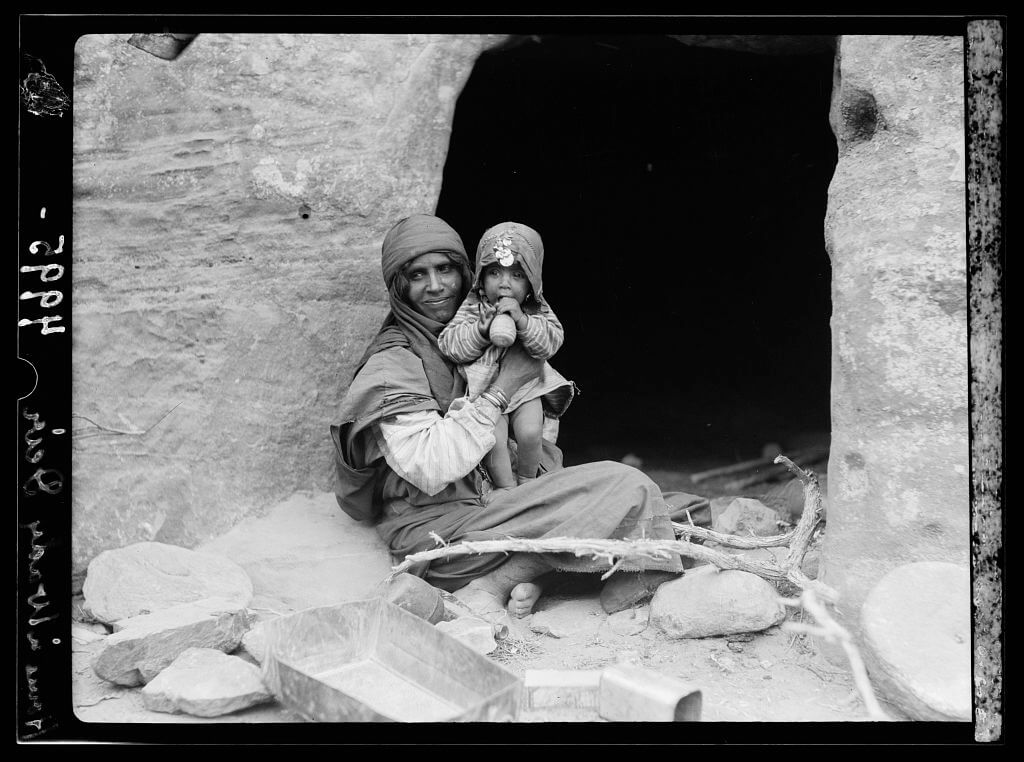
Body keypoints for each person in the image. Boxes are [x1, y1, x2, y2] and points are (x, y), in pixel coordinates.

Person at [330, 213, 708, 620]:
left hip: (497, 502)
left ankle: (538, 577)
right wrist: (500, 391)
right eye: (418, 276)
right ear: (399, 288)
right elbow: (430, 467)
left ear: (466, 275)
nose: (436, 286)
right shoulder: (393, 365)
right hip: (444, 531)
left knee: (688, 511)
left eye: (446, 270)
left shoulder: (472, 336)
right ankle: (494, 583)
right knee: (628, 488)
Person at [437, 221, 573, 490]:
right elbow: (449, 344)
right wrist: (480, 331)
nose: (505, 284)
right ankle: (508, 490)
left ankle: (527, 481)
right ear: (481, 277)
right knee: (494, 441)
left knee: (531, 432)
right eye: (495, 273)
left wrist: (522, 321)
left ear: (533, 280)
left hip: (526, 389)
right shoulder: (474, 307)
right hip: (485, 391)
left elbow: (551, 342)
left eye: (517, 275)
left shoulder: (535, 308)